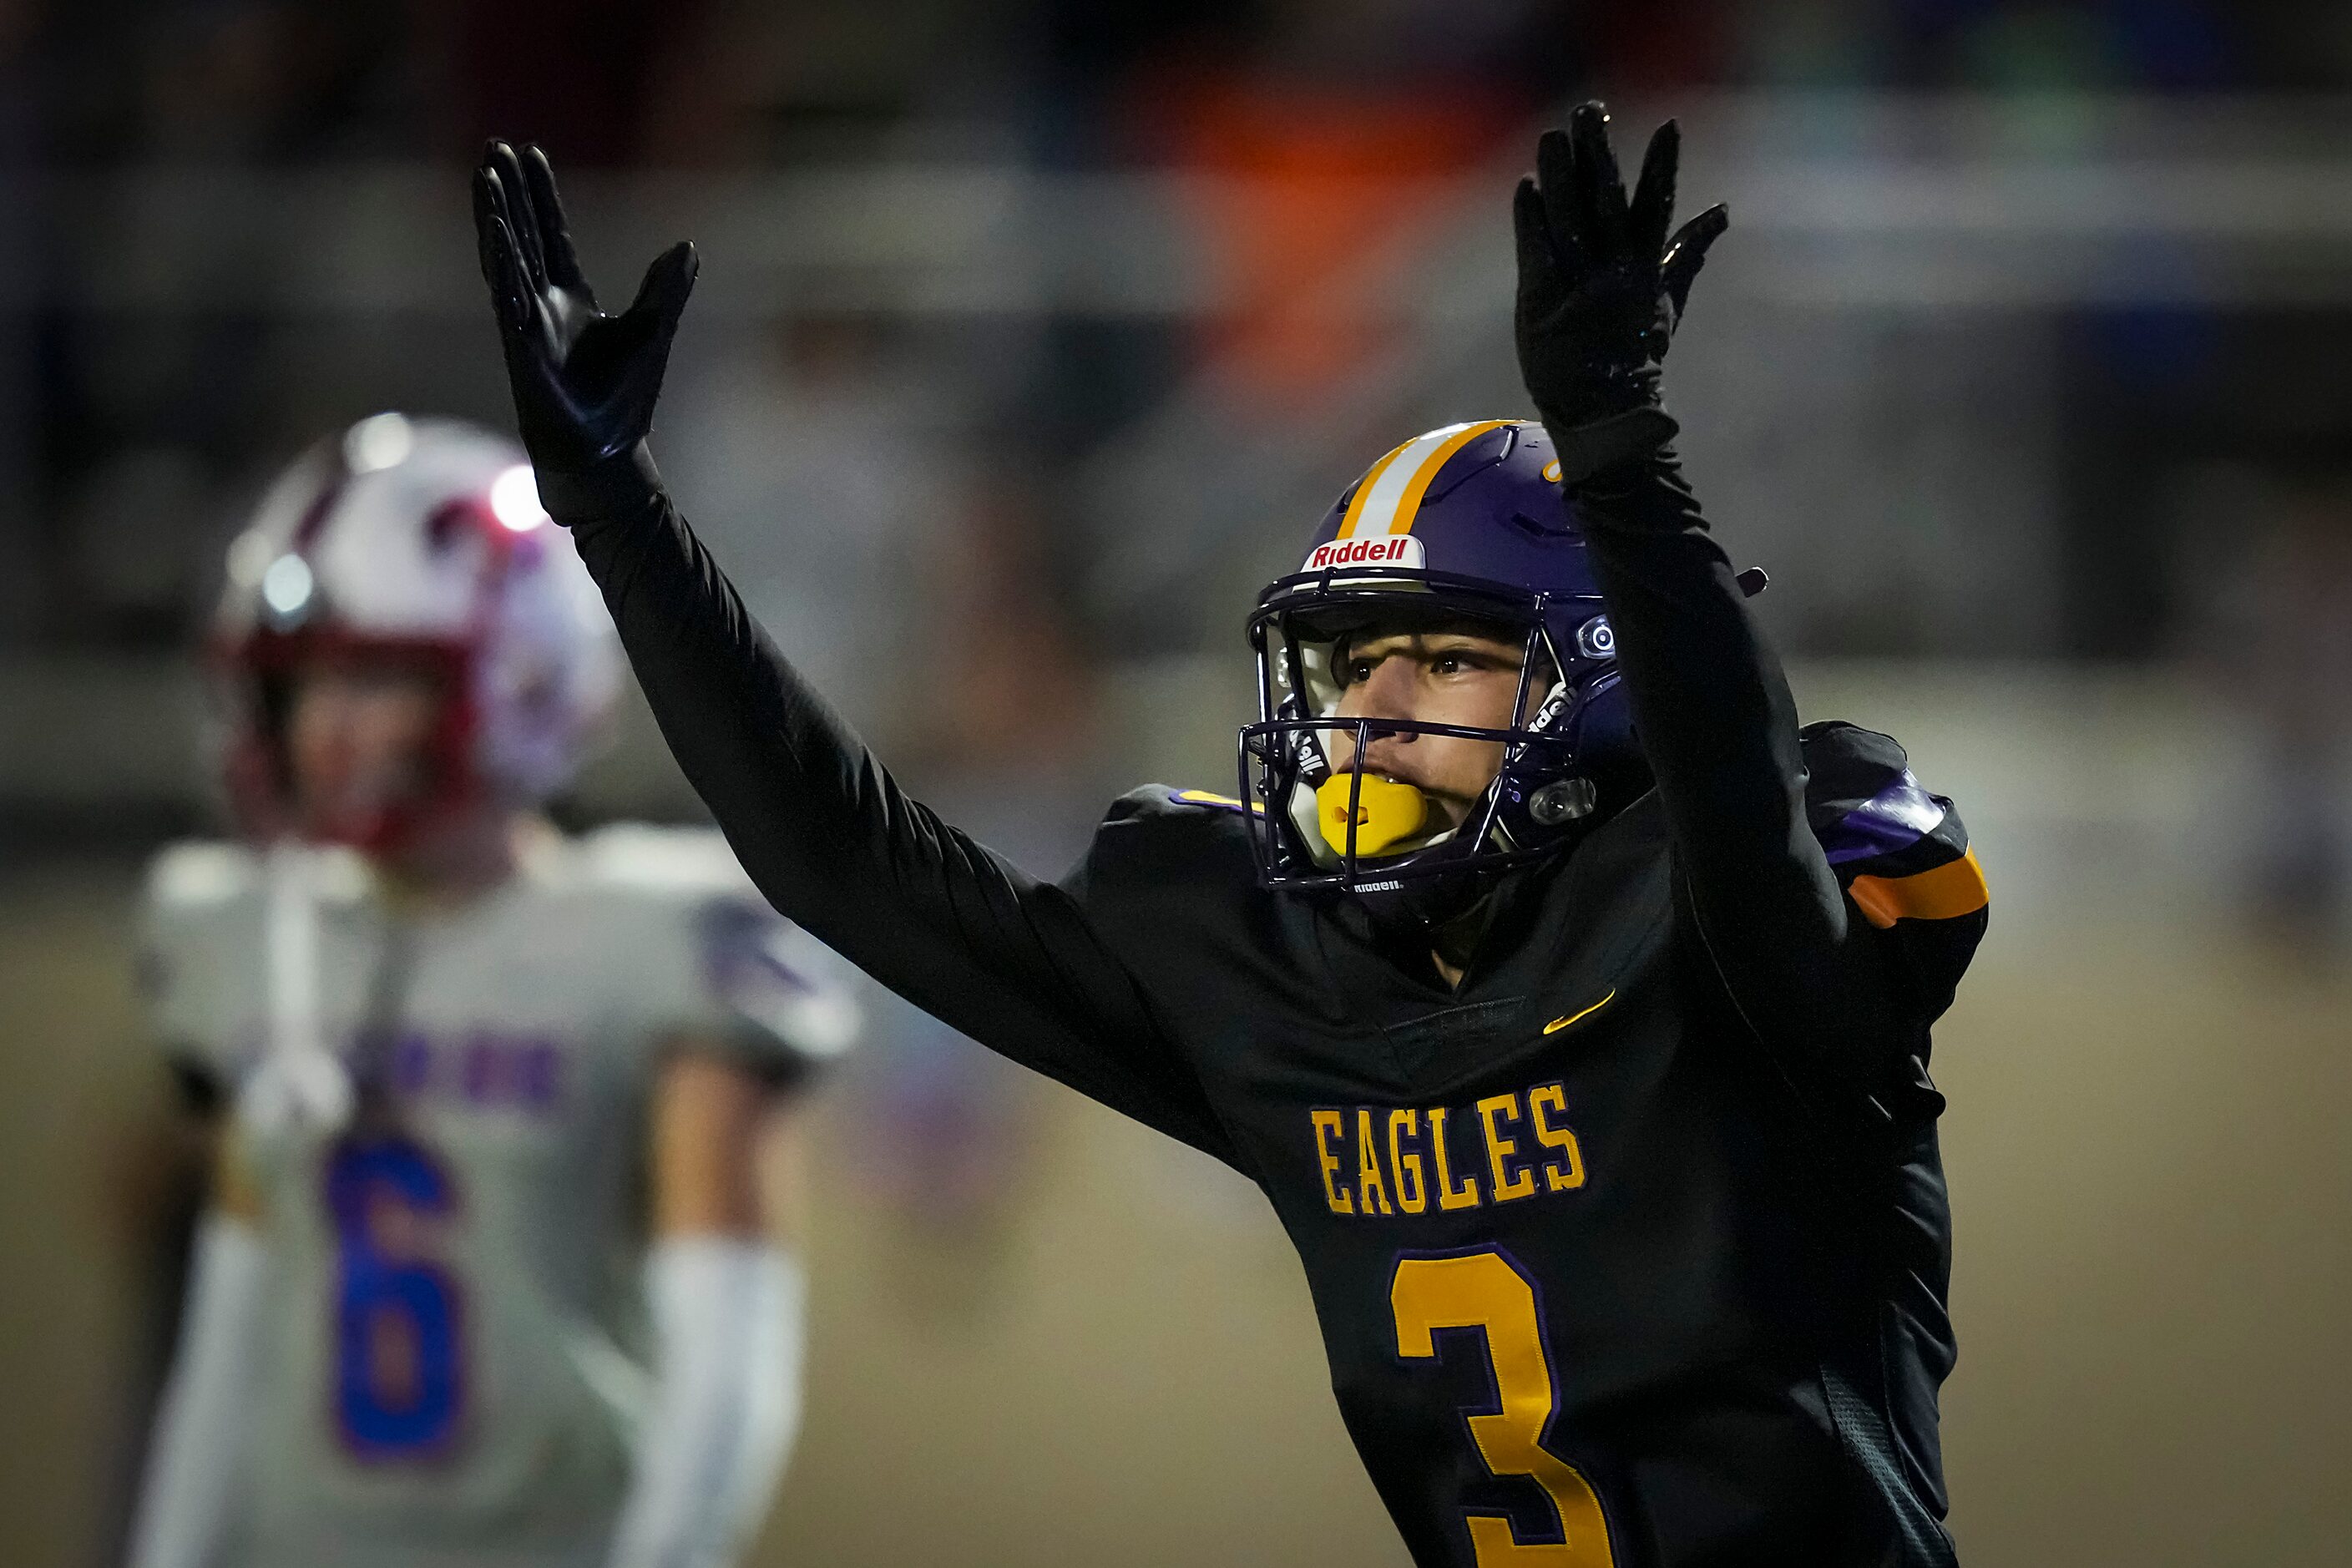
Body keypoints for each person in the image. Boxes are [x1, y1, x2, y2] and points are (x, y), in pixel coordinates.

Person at [469, 103, 1988, 1567]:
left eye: (1445, 653)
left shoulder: (1730, 940)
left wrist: (1621, 457)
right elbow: (847, 864)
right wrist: (619, 513)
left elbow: (1733, 799)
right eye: (1349, 661)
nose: (1373, 706)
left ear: (1598, 685)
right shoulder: (1275, 969)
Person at [126, 414, 860, 1568]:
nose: (326, 726)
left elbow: (729, 1361)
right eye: (303, 684)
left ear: (521, 673)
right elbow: (230, 1332)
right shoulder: (250, 933)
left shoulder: (656, 939)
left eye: (375, 673)